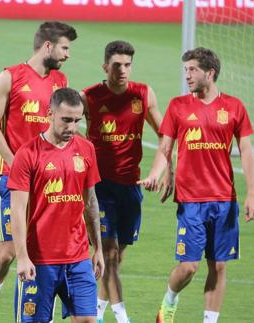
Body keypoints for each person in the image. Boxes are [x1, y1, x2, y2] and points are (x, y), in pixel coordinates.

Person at [138, 47, 254, 323]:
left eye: (192, 70)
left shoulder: (234, 107)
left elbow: (247, 151)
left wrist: (252, 193)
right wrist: (156, 173)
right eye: (186, 70)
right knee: (190, 267)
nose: (188, 76)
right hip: (191, 200)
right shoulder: (179, 106)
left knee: (218, 265)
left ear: (210, 72)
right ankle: (169, 301)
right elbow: (165, 148)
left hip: (224, 200)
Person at [0, 21, 78, 322]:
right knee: (9, 252)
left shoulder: (60, 80)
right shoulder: (9, 76)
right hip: (14, 177)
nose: (68, 54)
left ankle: (37, 313)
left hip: (51, 179)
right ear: (47, 46)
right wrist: (18, 164)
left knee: (44, 251)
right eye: (64, 47)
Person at [80, 40, 173, 323]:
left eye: (128, 65)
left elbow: (165, 135)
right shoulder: (90, 97)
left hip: (131, 186)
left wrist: (162, 170)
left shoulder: (143, 94)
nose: (123, 70)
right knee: (107, 255)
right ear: (105, 66)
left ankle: (96, 313)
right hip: (100, 186)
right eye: (117, 65)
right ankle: (123, 318)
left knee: (117, 258)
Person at [9, 88, 104, 323]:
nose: (72, 128)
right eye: (66, 120)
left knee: (88, 320)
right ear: (50, 113)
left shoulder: (86, 149)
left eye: (76, 121)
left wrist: (98, 249)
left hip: (78, 256)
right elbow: (18, 210)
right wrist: (22, 256)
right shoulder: (28, 154)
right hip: (40, 259)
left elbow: (90, 201)